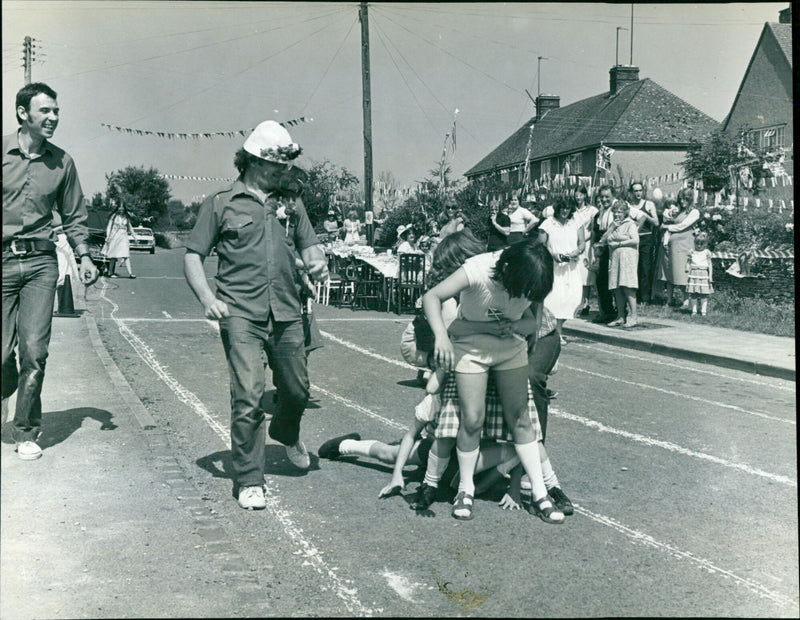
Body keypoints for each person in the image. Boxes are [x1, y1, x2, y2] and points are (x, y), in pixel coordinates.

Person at [183, 120, 329, 511]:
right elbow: (193, 256)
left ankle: (286, 431)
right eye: (275, 167)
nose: (283, 173)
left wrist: (317, 263)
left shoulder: (292, 204)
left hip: (287, 310)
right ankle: (249, 479)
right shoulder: (221, 203)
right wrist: (207, 298)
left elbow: (311, 247)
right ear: (252, 161)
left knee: (297, 391)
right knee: (247, 395)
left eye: (285, 167)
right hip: (240, 314)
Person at [422, 239, 564, 523]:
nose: (522, 297)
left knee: (520, 419)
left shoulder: (533, 277)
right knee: (472, 419)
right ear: (508, 270)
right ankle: (465, 490)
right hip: (471, 347)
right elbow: (431, 297)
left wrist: (520, 327)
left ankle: (540, 493)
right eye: (520, 291)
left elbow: (533, 320)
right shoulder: (477, 269)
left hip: (509, 346)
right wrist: (441, 336)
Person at [2, 82, 99, 460]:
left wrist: (84, 256)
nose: (53, 117)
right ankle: (7, 384)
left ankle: (26, 430)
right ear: (23, 113)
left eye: (56, 111)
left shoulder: (63, 162)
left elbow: (74, 216)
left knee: (34, 350)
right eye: (45, 111)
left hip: (41, 264)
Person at [537, 198, 585, 344]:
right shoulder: (547, 224)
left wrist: (577, 252)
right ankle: (556, 333)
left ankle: (554, 330)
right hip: (553, 268)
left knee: (573, 300)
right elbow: (541, 244)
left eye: (568, 208)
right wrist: (553, 255)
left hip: (572, 267)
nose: (565, 211)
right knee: (554, 301)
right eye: (562, 208)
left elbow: (582, 243)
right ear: (557, 208)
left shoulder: (576, 222)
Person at [600, 200, 639, 327]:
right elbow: (603, 240)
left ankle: (633, 316)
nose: (617, 214)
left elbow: (635, 240)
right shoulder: (613, 225)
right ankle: (620, 316)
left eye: (620, 212)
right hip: (615, 259)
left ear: (626, 212)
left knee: (627, 286)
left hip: (627, 259)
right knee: (616, 287)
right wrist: (612, 228)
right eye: (615, 212)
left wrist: (619, 243)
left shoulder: (630, 224)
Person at [662, 187, 700, 308]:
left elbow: (682, 226)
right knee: (669, 271)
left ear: (690, 199)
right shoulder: (678, 211)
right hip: (672, 245)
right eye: (681, 199)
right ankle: (669, 299)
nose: (682, 202)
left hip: (684, 244)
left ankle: (686, 300)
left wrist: (668, 227)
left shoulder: (694, 212)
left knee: (683, 272)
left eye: (686, 199)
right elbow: (668, 218)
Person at [591, 185, 618, 323]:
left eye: (607, 196)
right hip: (602, 248)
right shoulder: (601, 211)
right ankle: (607, 311)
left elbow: (640, 216)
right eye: (602, 196)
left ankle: (620, 312)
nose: (604, 199)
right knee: (602, 280)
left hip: (614, 246)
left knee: (615, 280)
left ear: (613, 196)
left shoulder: (618, 207)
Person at [629, 181, 659, 304]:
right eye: (635, 191)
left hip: (646, 238)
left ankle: (645, 297)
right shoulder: (629, 206)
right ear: (631, 192)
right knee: (633, 268)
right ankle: (634, 296)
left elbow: (656, 222)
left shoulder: (649, 204)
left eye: (640, 190)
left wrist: (644, 216)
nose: (638, 193)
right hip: (632, 239)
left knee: (645, 267)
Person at [572, 186, 598, 316]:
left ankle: (586, 303)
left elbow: (594, 230)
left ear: (585, 195)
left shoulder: (592, 210)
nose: (578, 197)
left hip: (586, 244)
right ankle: (575, 302)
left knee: (585, 275)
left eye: (581, 194)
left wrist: (585, 240)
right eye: (576, 195)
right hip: (573, 245)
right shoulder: (571, 210)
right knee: (574, 274)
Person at [102, 201, 139, 278]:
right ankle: (110, 273)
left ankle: (130, 273)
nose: (121, 210)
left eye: (122, 209)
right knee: (113, 255)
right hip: (114, 236)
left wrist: (134, 237)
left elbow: (130, 227)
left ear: (124, 209)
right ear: (117, 209)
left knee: (126, 255)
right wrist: (107, 236)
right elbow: (109, 226)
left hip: (123, 237)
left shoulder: (126, 217)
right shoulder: (114, 216)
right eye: (119, 209)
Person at [685, 231, 713, 316]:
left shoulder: (707, 252)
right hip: (694, 273)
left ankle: (703, 311)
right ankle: (694, 311)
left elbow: (709, 264)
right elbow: (688, 261)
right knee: (693, 292)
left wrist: (710, 276)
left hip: (703, 274)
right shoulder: (692, 251)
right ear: (694, 243)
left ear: (705, 244)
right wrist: (687, 268)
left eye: (701, 244)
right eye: (697, 243)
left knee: (704, 293)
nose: (699, 246)